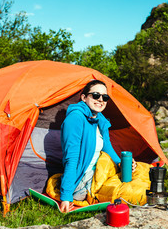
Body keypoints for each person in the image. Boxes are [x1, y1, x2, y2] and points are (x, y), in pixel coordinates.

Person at [59, 79, 137, 212]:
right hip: (82, 181)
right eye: (96, 95)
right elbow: (71, 159)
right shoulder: (75, 118)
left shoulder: (99, 119)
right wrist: (66, 196)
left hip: (97, 173)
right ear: (84, 97)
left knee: (139, 172)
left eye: (105, 97)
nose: (101, 100)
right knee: (127, 194)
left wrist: (121, 164)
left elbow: (107, 148)